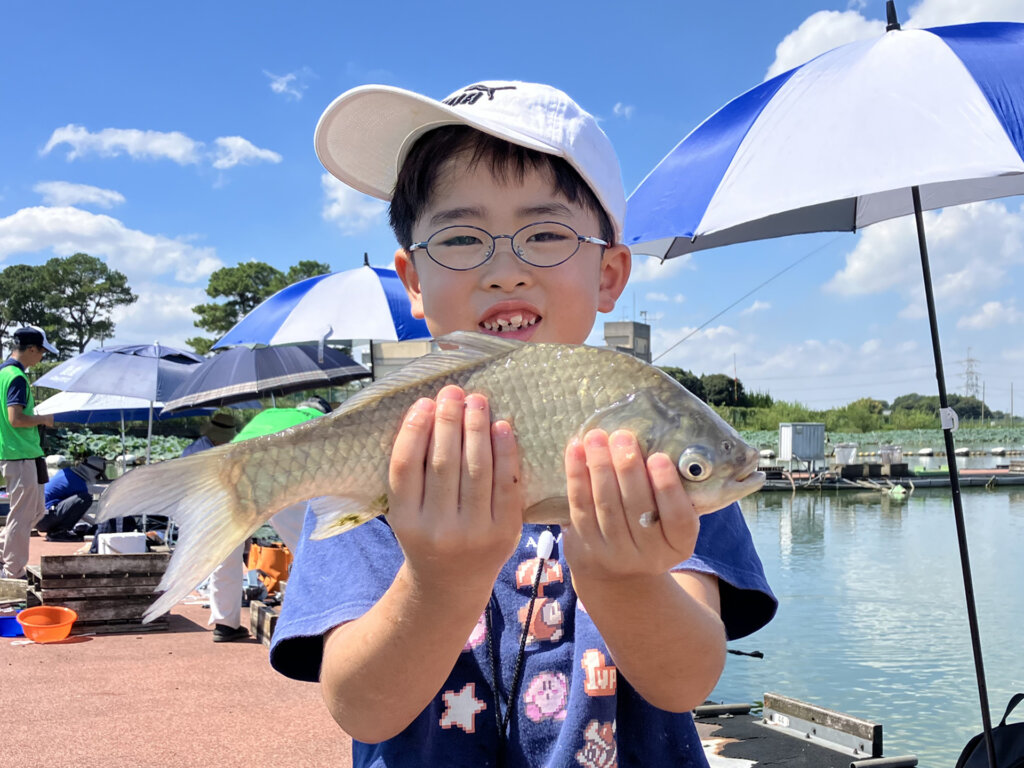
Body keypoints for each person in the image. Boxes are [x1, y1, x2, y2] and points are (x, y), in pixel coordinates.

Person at [270, 81, 777, 767]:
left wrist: (628, 580)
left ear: (610, 271)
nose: (504, 270)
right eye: (459, 237)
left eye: (544, 233)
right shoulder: (396, 451)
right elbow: (360, 707)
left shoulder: (656, 445)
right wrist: (439, 581)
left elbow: (685, 682)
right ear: (412, 281)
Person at [205, 396, 332, 643]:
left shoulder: (269, 414)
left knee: (225, 552)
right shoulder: (324, 422)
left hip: (231, 476)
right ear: (323, 412)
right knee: (312, 548)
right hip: (279, 476)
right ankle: (320, 624)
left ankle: (225, 624)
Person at [0, 326, 57, 579]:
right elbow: (16, 418)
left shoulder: (3, 373)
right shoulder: (17, 377)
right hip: (19, 454)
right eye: (42, 352)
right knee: (22, 518)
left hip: (22, 454)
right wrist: (43, 418)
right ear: (32, 349)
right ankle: (13, 573)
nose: (42, 357)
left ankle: (5, 553)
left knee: (35, 513)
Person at [36, 454, 107, 542]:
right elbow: (81, 509)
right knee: (85, 498)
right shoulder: (79, 484)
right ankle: (59, 533)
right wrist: (98, 525)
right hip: (45, 519)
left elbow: (75, 511)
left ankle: (57, 531)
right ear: (94, 473)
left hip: (38, 518)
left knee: (83, 498)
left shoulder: (67, 473)